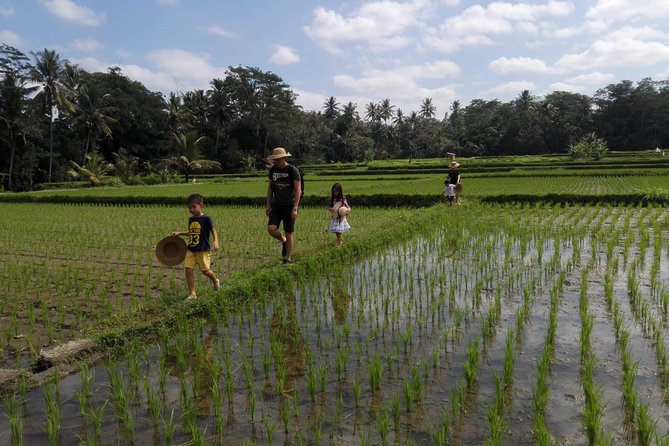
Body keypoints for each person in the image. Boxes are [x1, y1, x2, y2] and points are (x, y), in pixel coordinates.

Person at [171, 193, 220, 300]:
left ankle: (215, 280)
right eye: (189, 207)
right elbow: (192, 233)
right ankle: (192, 293)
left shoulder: (206, 218)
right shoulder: (191, 220)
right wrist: (180, 233)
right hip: (191, 249)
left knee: (205, 271)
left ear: (201, 205)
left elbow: (213, 230)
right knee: (188, 270)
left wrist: (216, 241)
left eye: (194, 207)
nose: (191, 210)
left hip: (202, 250)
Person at [265, 147, 301, 264]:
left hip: (289, 205)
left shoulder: (292, 170)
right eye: (275, 160)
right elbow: (270, 188)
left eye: (278, 159)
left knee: (289, 231)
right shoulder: (273, 170)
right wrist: (268, 204)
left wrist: (295, 208)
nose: (276, 162)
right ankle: (283, 240)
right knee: (271, 228)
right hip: (276, 205)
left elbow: (297, 190)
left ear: (284, 158)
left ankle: (288, 258)